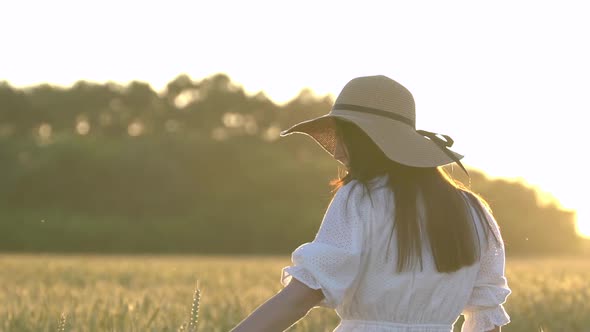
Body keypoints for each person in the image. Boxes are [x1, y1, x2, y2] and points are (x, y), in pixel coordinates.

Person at [230, 75, 511, 332]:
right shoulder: (473, 210)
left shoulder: (361, 197)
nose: (338, 152)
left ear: (369, 140)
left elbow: (301, 297)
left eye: (343, 138)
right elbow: (486, 316)